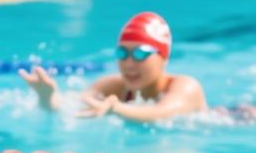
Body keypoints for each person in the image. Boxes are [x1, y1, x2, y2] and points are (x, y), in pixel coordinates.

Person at [19, 11, 208, 123]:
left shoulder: (186, 87)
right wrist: (47, 98)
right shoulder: (113, 87)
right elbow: (69, 107)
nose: (129, 64)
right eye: (122, 53)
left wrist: (117, 109)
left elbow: (161, 112)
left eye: (140, 54)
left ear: (163, 57)